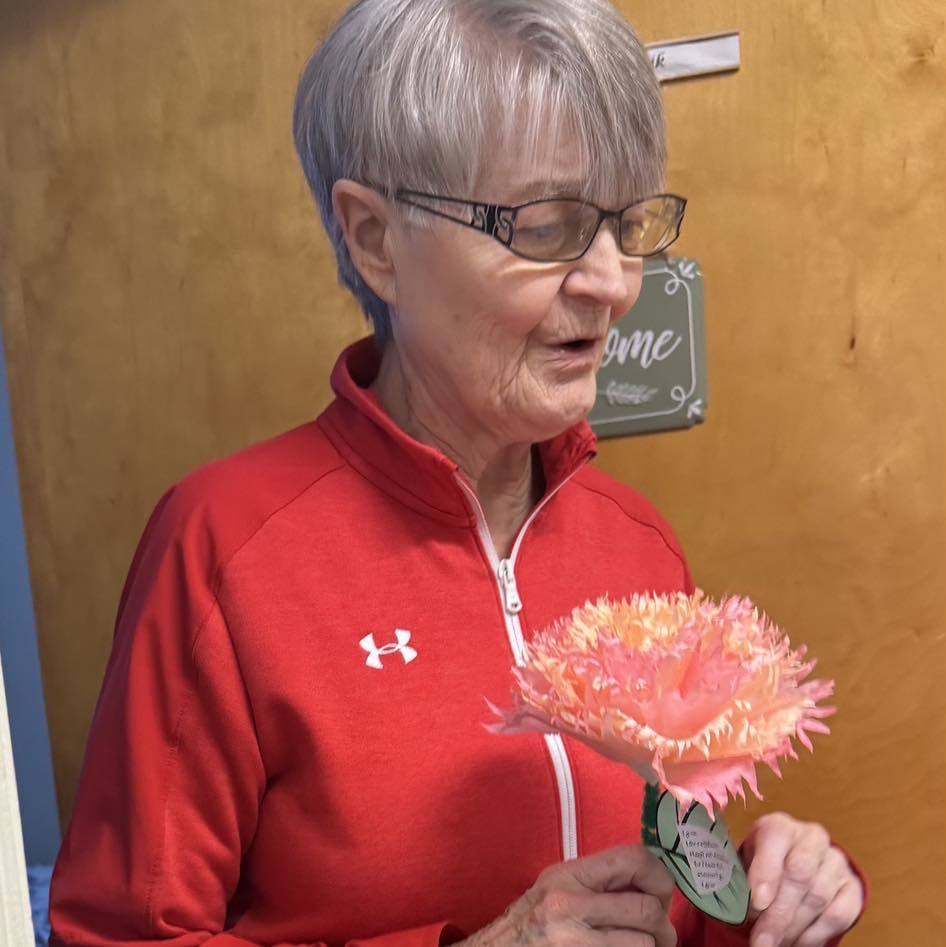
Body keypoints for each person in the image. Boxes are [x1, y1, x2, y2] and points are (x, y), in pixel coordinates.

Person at [49, 1, 866, 945]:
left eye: (625, 221)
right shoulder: (224, 550)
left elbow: (663, 894)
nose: (611, 281)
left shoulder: (638, 544)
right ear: (374, 239)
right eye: (550, 224)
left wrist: (773, 897)